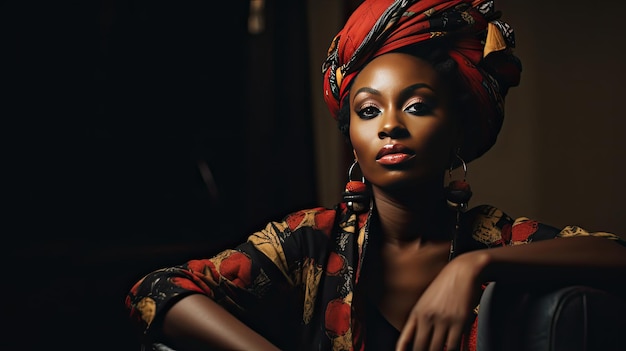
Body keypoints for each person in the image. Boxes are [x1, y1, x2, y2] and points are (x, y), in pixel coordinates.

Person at [125, 0, 626, 350]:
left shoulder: (492, 239)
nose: (390, 125)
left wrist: (471, 269)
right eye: (368, 111)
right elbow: (158, 290)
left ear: (456, 134)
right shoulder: (310, 242)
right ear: (353, 141)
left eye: (416, 106)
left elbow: (615, 254)